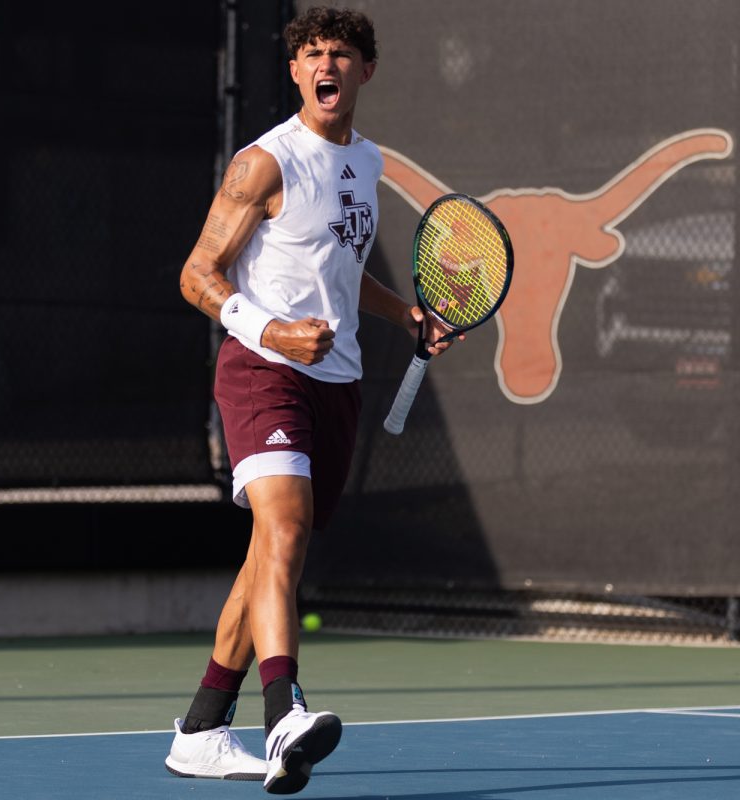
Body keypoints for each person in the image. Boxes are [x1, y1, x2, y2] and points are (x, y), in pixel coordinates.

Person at [163, 6, 460, 795]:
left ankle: (198, 730)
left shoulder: (368, 161)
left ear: (366, 71)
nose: (327, 64)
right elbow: (196, 275)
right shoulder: (264, 164)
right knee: (285, 526)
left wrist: (405, 314)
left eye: (343, 53)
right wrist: (272, 331)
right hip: (262, 371)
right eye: (312, 53)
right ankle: (283, 710)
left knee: (270, 551)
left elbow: (337, 265)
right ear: (296, 72)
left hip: (340, 383)